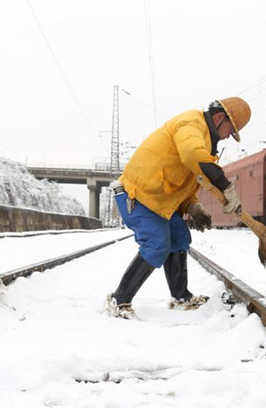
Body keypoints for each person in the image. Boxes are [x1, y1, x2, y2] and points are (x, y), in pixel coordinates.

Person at [105, 97, 251, 319]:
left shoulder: (204, 140)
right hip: (139, 195)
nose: (227, 136)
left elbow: (184, 183)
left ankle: (181, 297)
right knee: (156, 245)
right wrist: (225, 185)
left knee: (179, 238)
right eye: (230, 130)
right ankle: (119, 299)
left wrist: (194, 207)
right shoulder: (190, 124)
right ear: (220, 118)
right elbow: (192, 156)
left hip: (160, 200)